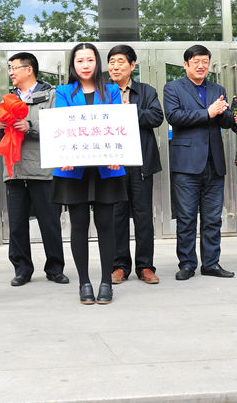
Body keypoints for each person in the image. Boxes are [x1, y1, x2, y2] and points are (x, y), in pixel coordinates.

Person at [49, 42, 127, 305]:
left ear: (97, 63)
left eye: (90, 60)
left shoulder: (112, 90)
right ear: (73, 64)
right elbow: (61, 127)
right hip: (73, 169)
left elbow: (117, 125)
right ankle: (84, 283)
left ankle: (106, 283)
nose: (85, 65)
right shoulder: (63, 91)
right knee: (79, 225)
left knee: (106, 224)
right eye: (80, 60)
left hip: (107, 167)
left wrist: (116, 154)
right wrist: (63, 155)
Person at [0, 52, 68, 287]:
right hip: (14, 171)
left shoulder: (52, 96)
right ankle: (22, 270)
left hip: (43, 171)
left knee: (50, 223)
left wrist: (30, 126)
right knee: (16, 225)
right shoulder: (8, 99)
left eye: (14, 68)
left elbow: (60, 127)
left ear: (29, 70)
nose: (11, 72)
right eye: (10, 68)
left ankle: (55, 269)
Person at [163, 45, 235, 280]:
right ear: (186, 64)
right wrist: (208, 112)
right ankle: (187, 264)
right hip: (186, 164)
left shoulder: (217, 89)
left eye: (205, 61)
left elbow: (226, 123)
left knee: (212, 218)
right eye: (196, 61)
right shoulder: (173, 88)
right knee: (186, 218)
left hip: (214, 162)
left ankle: (211, 264)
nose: (201, 65)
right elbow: (174, 117)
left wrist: (223, 112)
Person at [107, 45, 163, 285]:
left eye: (120, 61)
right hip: (113, 164)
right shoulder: (102, 92)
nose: (115, 66)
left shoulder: (146, 91)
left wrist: (129, 111)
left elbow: (157, 117)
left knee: (143, 216)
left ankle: (145, 266)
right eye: (111, 62)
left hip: (140, 164)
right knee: (116, 216)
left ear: (132, 65)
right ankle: (119, 266)